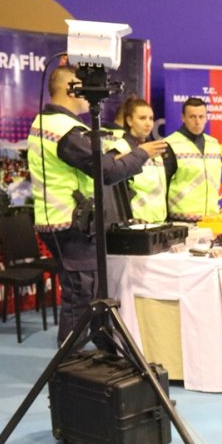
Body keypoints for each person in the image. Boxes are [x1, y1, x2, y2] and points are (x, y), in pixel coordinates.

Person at [28, 65, 167, 345]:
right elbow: (106, 172)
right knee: (81, 297)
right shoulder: (65, 130)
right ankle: (69, 362)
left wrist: (121, 153)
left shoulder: (46, 123)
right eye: (84, 86)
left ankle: (100, 355)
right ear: (71, 89)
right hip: (71, 225)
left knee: (88, 294)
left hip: (60, 221)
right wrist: (140, 154)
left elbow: (98, 163)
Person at [110, 97, 168, 222]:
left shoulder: (154, 149)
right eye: (142, 118)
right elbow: (116, 192)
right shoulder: (121, 147)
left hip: (158, 222)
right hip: (135, 223)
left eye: (151, 118)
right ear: (129, 121)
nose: (148, 123)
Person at [164, 97, 222, 222]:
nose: (197, 121)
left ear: (206, 118)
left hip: (211, 219)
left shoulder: (214, 143)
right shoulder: (170, 144)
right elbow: (163, 185)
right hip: (181, 219)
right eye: (192, 117)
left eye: (201, 117)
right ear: (183, 118)